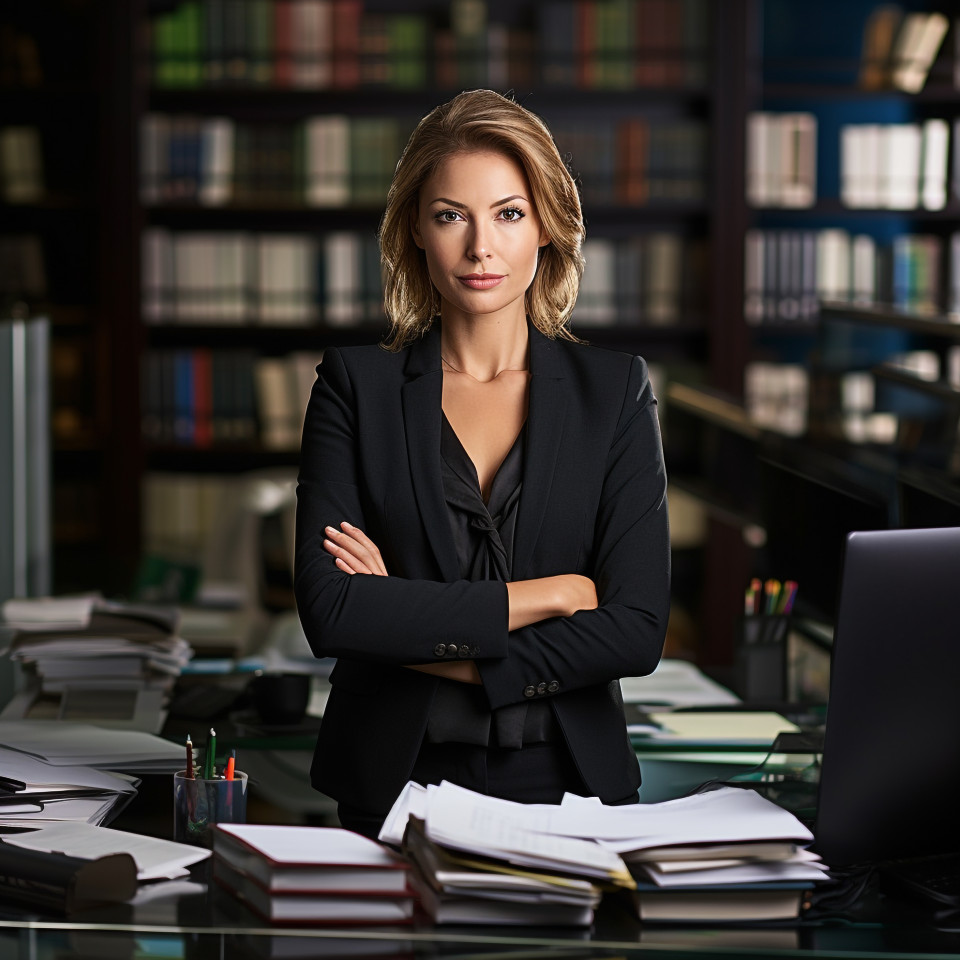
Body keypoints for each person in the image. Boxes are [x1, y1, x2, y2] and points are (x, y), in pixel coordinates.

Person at [295, 89, 670, 840]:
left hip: (572, 785)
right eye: (449, 216)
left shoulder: (615, 392)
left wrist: (408, 628)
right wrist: (553, 594)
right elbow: (333, 612)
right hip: (392, 783)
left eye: (508, 214)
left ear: (547, 226)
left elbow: (634, 631)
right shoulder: (355, 387)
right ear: (414, 230)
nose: (480, 248)